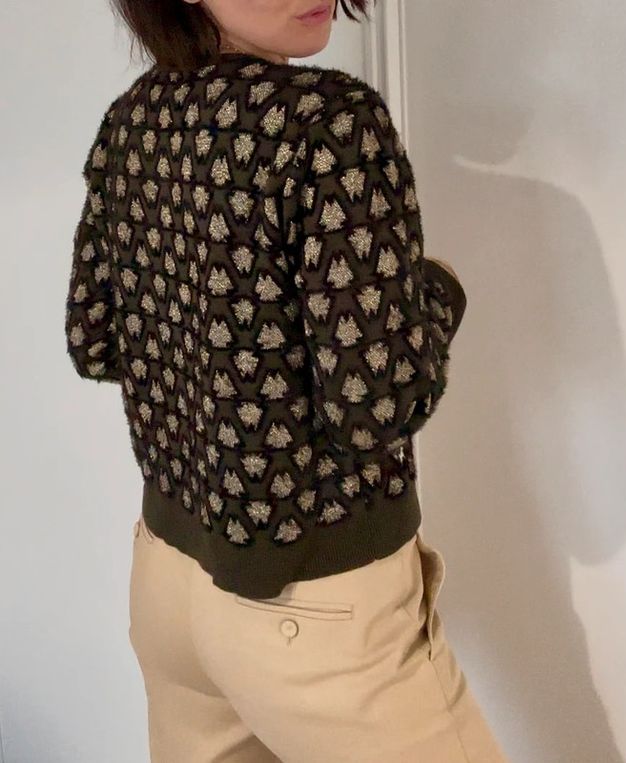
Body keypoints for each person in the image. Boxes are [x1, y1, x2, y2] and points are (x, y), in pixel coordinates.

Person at [64, 0, 510, 760]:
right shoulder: (331, 125)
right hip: (316, 601)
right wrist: (438, 291)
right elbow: (375, 405)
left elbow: (93, 340)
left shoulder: (132, 119)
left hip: (169, 585)